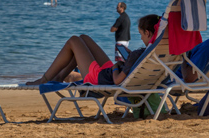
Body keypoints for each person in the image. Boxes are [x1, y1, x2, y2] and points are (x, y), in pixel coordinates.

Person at [28, 14, 160, 85]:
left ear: (148, 33)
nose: (141, 38)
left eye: (141, 34)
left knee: (74, 40)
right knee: (84, 38)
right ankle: (59, 77)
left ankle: (44, 79)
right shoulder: (153, 52)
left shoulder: (140, 53)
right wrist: (129, 60)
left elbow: (118, 81)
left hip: (99, 78)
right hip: (107, 73)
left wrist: (116, 67)